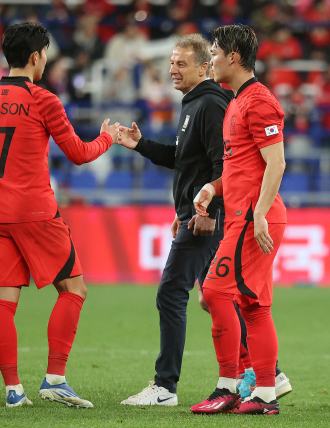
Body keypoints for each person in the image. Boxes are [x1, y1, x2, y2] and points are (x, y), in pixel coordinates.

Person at [0, 22, 119, 408]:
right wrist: (108, 137)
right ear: (36, 56)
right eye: (46, 53)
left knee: (3, 302)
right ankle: (54, 379)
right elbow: (79, 153)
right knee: (74, 289)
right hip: (36, 210)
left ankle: (13, 390)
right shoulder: (44, 99)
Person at [116, 34, 229, 406]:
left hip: (204, 217)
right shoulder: (194, 103)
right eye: (171, 62)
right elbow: (185, 160)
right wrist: (141, 145)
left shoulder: (210, 104)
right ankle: (267, 371)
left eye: (181, 63)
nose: (172, 70)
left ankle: (165, 387)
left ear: (204, 67)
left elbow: (222, 166)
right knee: (220, 298)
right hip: (193, 214)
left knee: (171, 294)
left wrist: (206, 212)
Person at [190, 24, 286, 415]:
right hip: (243, 215)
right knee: (253, 306)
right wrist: (214, 188)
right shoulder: (235, 102)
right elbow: (241, 170)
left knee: (213, 293)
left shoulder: (258, 101)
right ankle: (264, 392)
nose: (210, 59)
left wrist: (259, 214)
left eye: (213, 52)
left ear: (233, 56)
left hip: (253, 218)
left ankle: (228, 386)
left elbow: (276, 163)